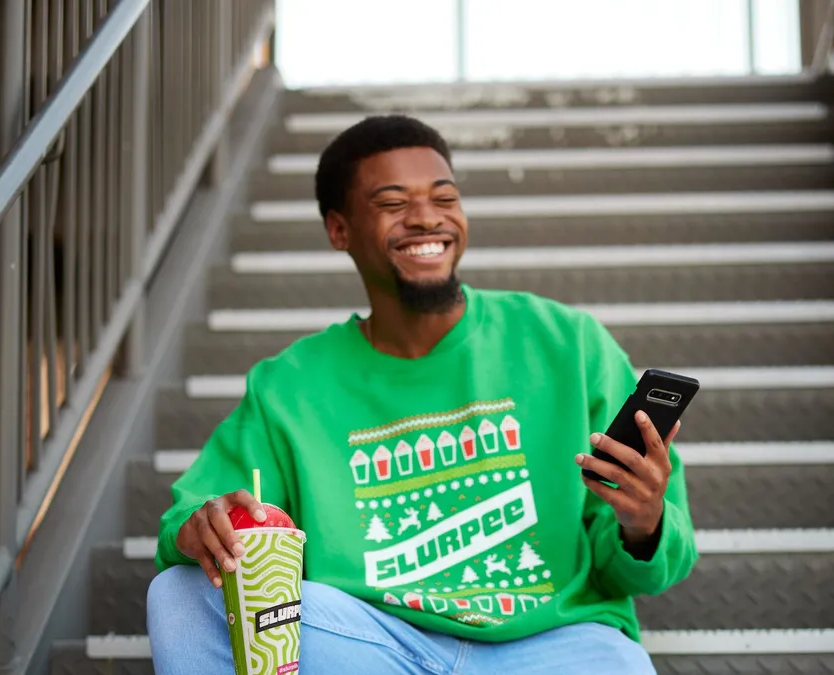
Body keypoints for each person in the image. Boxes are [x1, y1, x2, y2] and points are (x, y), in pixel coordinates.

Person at [146, 114, 699, 674]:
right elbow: (190, 518)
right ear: (340, 230)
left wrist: (642, 521)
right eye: (392, 203)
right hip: (372, 643)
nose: (427, 218)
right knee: (182, 597)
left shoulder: (568, 345)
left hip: (554, 643)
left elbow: (647, 569)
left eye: (444, 197)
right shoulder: (289, 385)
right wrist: (203, 525)